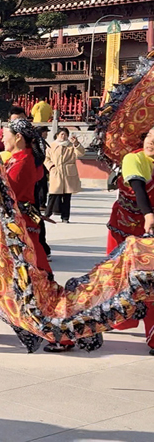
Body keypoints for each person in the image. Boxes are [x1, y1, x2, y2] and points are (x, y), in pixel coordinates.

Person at [0, 119, 70, 350]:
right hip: (10, 229)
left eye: (5, 134)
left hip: (21, 233)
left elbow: (7, 194)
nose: (2, 138)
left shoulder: (24, 161)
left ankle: (64, 333)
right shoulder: (16, 159)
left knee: (35, 280)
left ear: (18, 137)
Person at [104, 126, 154, 355]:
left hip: (148, 229)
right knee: (119, 276)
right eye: (149, 136)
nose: (151, 142)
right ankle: (122, 318)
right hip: (124, 226)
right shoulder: (133, 158)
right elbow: (138, 187)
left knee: (148, 282)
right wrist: (149, 214)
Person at [44, 128, 84, 223]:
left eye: (65, 134)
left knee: (67, 197)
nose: (64, 136)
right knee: (53, 195)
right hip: (56, 172)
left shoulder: (71, 146)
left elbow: (81, 154)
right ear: (57, 135)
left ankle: (65, 217)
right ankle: (47, 214)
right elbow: (46, 158)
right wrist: (51, 167)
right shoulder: (52, 146)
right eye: (62, 134)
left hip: (68, 173)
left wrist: (76, 144)